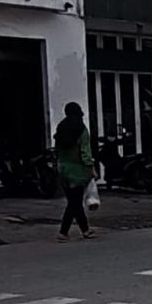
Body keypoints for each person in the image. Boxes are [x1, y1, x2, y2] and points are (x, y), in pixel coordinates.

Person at [53, 102, 96, 239]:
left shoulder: (61, 128)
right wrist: (91, 167)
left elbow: (57, 150)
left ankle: (85, 230)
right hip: (78, 170)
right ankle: (63, 232)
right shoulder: (81, 129)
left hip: (63, 169)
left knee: (74, 200)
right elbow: (85, 152)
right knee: (74, 202)